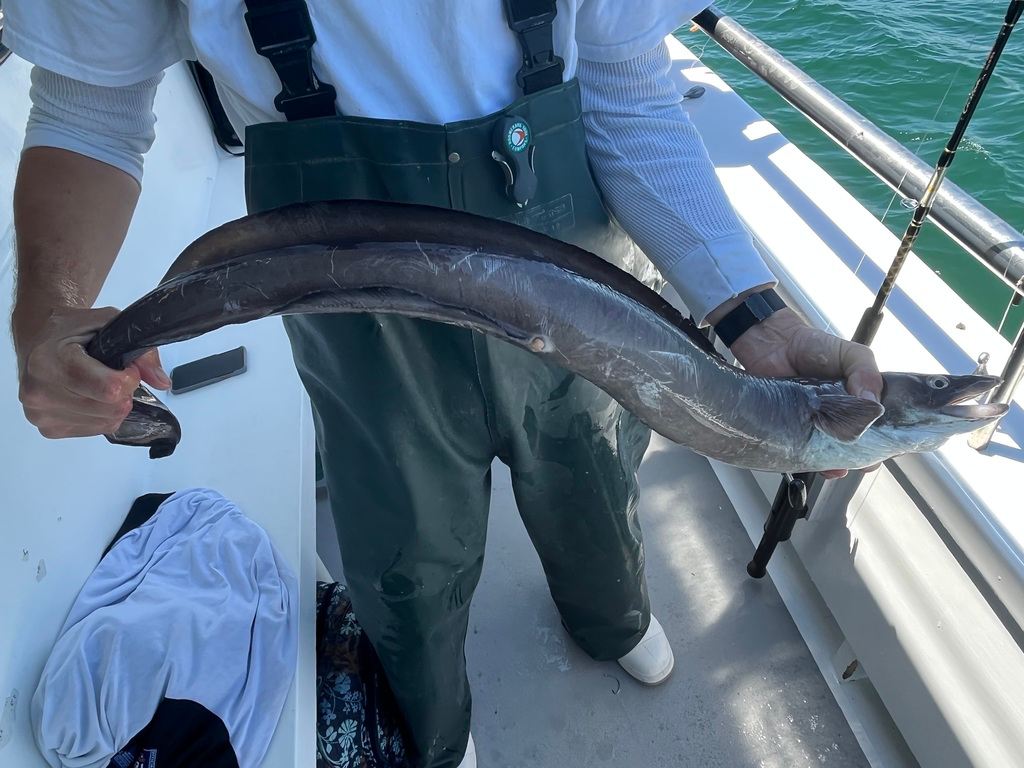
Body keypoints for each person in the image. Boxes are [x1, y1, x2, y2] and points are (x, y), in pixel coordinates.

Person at [5, 2, 882, 767]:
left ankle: (614, 618)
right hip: (358, 310)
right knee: (403, 538)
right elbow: (89, 110)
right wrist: (51, 311)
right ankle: (436, 722)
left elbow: (623, 88)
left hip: (576, 277)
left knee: (594, 475)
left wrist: (753, 317)